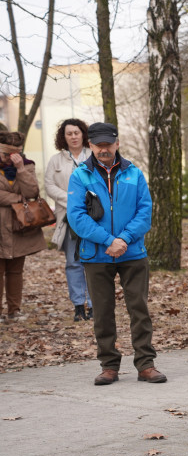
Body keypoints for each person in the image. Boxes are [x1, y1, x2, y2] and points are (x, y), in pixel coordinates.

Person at [66, 123, 165, 385]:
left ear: (117, 144)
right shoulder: (80, 176)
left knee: (139, 309)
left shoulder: (134, 173)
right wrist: (109, 240)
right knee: (102, 312)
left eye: (108, 144)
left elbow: (145, 212)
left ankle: (145, 364)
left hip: (132, 253)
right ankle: (109, 366)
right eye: (98, 145)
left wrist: (123, 239)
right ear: (90, 145)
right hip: (96, 255)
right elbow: (76, 217)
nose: (103, 149)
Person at [44, 118, 93, 321]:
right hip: (67, 216)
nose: (73, 136)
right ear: (63, 137)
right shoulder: (56, 160)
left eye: (76, 132)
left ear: (83, 134)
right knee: (73, 262)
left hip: (93, 216)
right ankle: (78, 306)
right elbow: (49, 185)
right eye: (69, 133)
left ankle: (94, 305)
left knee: (92, 261)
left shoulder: (93, 154)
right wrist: (72, 199)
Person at [0, 131, 47, 322]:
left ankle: (14, 311)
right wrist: (18, 199)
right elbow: (21, 196)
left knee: (15, 271)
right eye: (6, 154)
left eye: (14, 155)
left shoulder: (27, 166)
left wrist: (20, 169)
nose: (9, 158)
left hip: (20, 227)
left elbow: (32, 191)